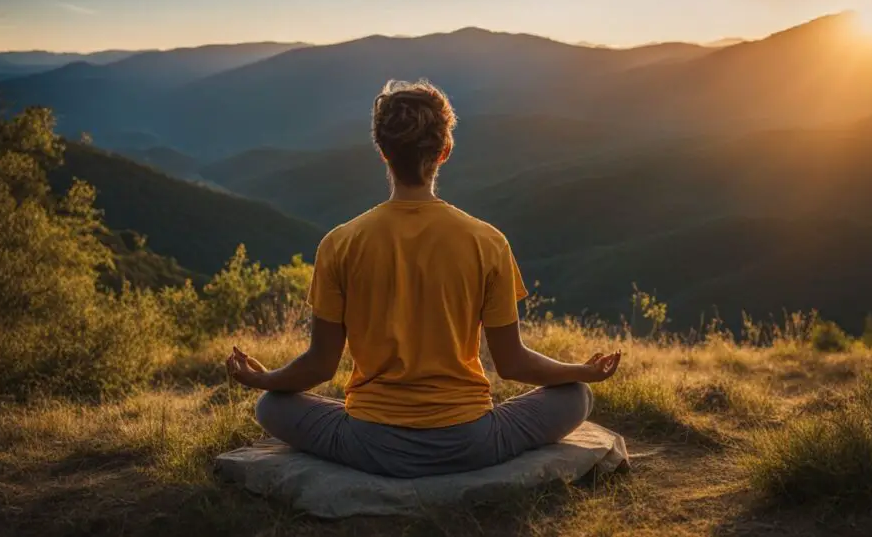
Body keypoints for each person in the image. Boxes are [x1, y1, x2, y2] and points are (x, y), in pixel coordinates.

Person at [226, 79, 621, 478]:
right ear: (444, 152)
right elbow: (512, 363)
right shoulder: (487, 241)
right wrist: (578, 371)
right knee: (576, 396)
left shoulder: (340, 243)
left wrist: (264, 379)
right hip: (471, 441)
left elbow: (319, 366)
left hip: (369, 443)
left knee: (271, 405)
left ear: (383, 153)